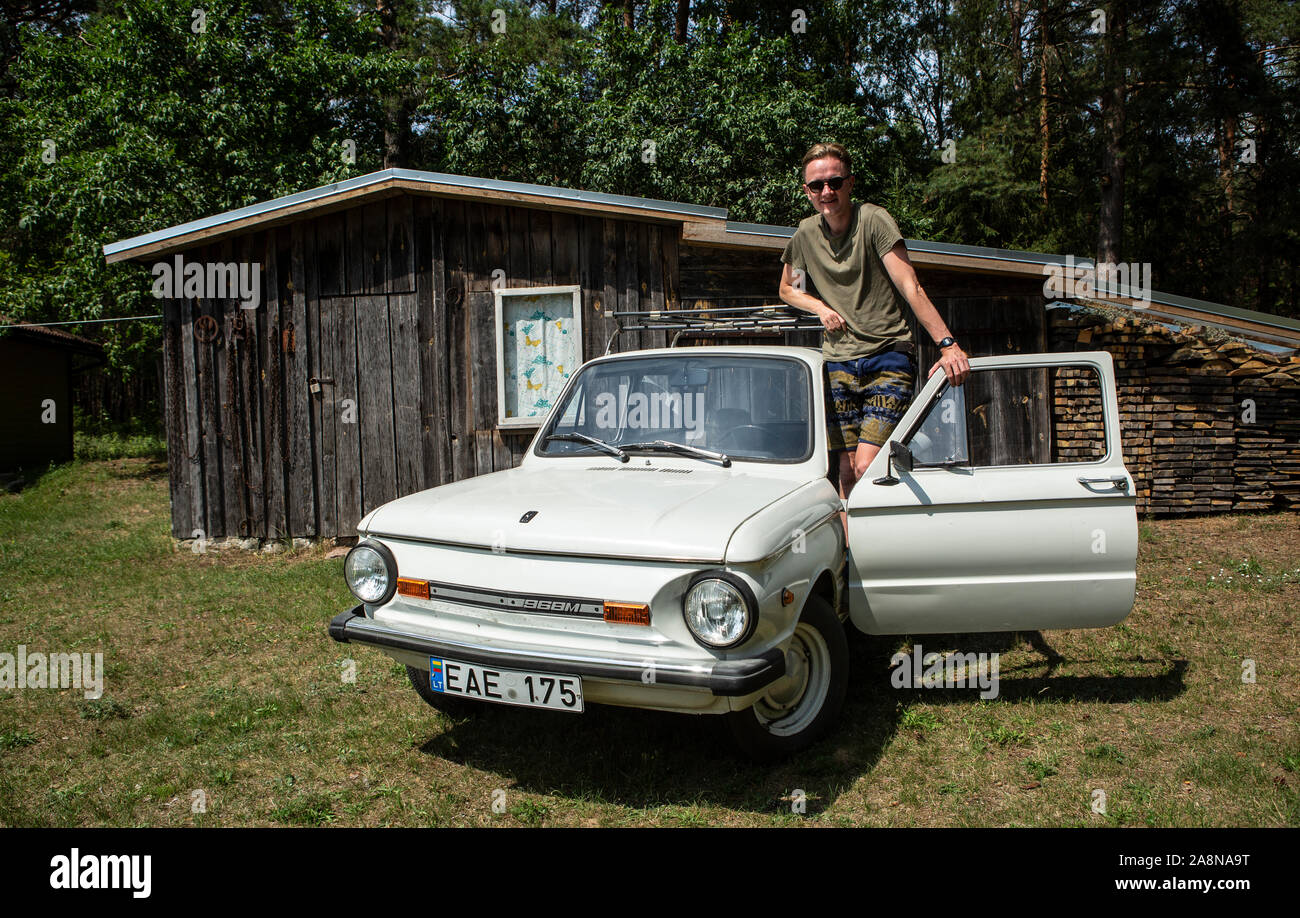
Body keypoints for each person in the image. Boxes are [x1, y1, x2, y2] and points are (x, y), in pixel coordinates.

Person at [778, 142, 970, 509]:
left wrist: (947, 344)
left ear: (850, 183)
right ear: (806, 191)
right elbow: (788, 289)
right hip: (837, 361)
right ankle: (851, 561)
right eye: (816, 186)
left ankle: (893, 544)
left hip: (888, 355)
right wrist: (818, 306)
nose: (826, 192)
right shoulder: (805, 234)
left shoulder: (873, 220)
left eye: (835, 182)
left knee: (868, 465)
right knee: (846, 472)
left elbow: (909, 285)